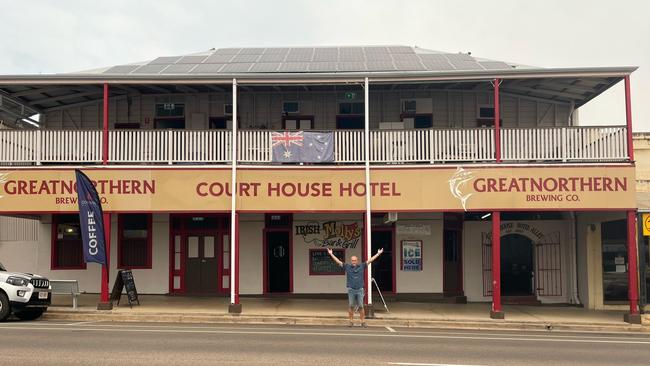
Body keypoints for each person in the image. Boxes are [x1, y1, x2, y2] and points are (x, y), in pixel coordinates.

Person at [327, 247, 383, 327]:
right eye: (352, 260)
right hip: (351, 289)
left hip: (360, 289)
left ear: (357, 261)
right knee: (351, 306)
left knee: (361, 306)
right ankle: (351, 321)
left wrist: (378, 253)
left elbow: (370, 260)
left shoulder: (362, 266)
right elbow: (338, 261)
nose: (353, 262)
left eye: (355, 260)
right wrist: (331, 254)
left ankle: (363, 322)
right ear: (351, 261)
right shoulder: (347, 266)